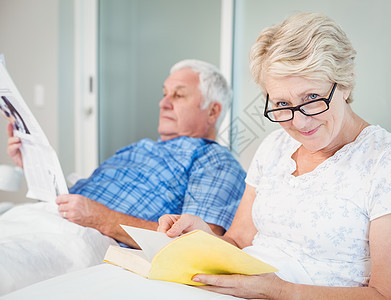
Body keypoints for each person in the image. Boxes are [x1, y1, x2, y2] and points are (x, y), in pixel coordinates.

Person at [158, 13, 391, 299]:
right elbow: (237, 241)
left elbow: (388, 294)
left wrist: (278, 291)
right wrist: (204, 236)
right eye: (282, 103)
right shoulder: (275, 147)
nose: (299, 123)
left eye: (312, 98)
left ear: (345, 83)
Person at [5, 59, 246, 248]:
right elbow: (74, 205)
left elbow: (202, 245)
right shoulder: (137, 148)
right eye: (164, 94)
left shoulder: (215, 160)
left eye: (178, 95)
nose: (163, 103)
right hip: (38, 219)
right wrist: (35, 166)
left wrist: (103, 219)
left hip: (85, 240)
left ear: (213, 112)